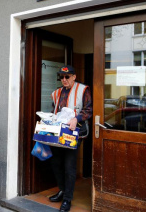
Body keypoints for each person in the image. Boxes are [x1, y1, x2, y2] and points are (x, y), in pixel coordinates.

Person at [48, 65, 92, 212]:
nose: (64, 79)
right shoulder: (56, 93)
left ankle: (67, 199)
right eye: (61, 77)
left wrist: (77, 119)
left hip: (74, 133)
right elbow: (54, 110)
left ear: (74, 76)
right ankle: (62, 190)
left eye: (67, 77)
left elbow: (89, 109)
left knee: (69, 166)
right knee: (55, 163)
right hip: (58, 133)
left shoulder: (83, 89)